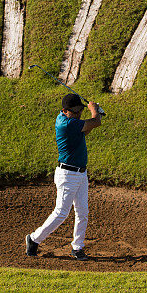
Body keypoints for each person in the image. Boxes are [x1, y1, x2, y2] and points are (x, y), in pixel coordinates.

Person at [25, 93, 102, 261]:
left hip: (81, 174)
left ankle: (77, 247)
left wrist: (92, 114)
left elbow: (86, 129)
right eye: (75, 112)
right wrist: (94, 110)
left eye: (80, 111)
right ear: (65, 111)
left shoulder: (71, 121)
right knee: (61, 213)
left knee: (83, 212)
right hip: (67, 175)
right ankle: (34, 238)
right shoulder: (66, 123)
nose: (78, 114)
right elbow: (95, 122)